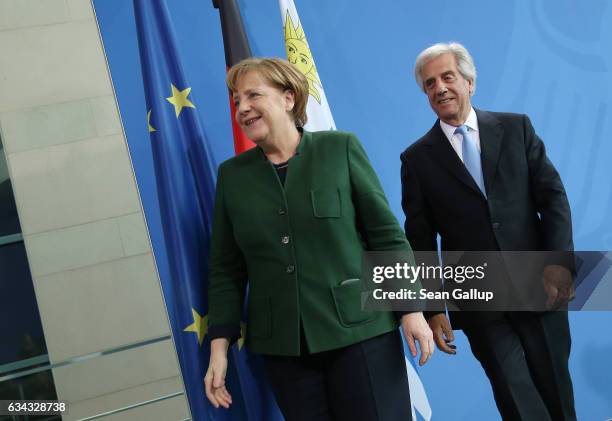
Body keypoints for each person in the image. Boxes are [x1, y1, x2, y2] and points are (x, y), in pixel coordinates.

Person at [204, 57, 433, 421]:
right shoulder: (232, 176)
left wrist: (411, 310)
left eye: (252, 96)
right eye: (236, 101)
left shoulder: (339, 148)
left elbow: (385, 236)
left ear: (288, 97)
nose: (242, 108)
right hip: (285, 349)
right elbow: (226, 270)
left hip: (362, 334)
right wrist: (219, 350)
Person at [401, 42, 576, 420]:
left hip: (540, 285)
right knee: (516, 398)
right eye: (430, 84)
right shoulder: (416, 159)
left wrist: (560, 264)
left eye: (447, 77)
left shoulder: (516, 128)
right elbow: (419, 240)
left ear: (469, 82)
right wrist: (433, 308)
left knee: (556, 392)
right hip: (478, 298)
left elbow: (553, 199)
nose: (440, 88)